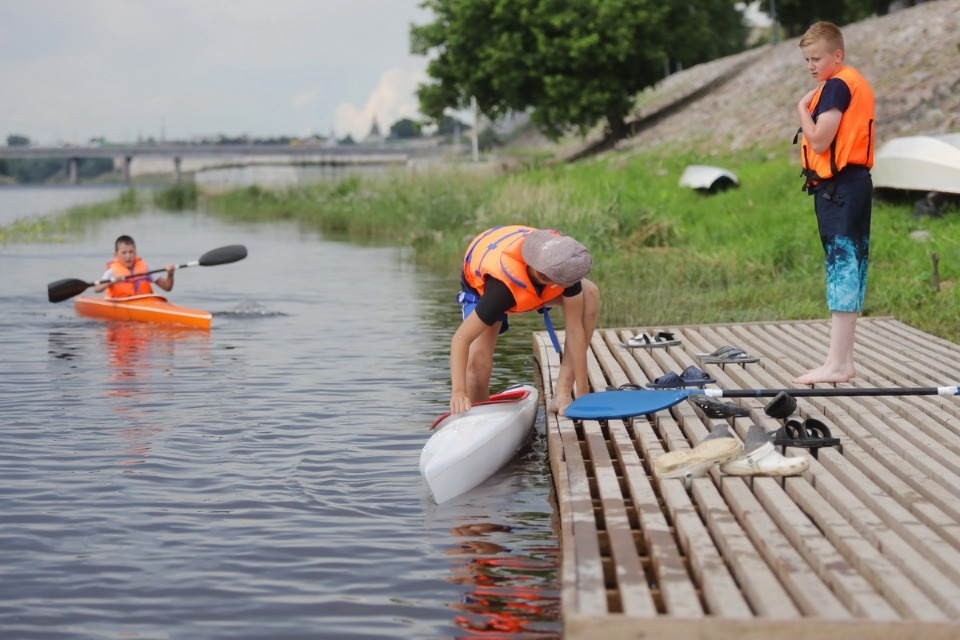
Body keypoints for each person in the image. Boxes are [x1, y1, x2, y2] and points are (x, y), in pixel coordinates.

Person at [793, 21, 875, 385]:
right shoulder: (848, 82)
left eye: (817, 58)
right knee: (850, 268)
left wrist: (801, 108)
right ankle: (843, 361)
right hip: (852, 185)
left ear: (837, 55)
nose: (810, 66)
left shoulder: (837, 86)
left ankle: (837, 365)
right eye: (806, 60)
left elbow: (820, 140)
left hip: (841, 189)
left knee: (842, 269)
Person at [449, 225, 600, 417]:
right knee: (477, 365)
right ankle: (478, 414)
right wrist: (458, 392)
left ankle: (562, 394)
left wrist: (583, 392)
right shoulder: (501, 292)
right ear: (556, 284)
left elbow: (575, 330)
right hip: (485, 287)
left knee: (590, 294)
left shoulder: (565, 269)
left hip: (535, 282)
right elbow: (461, 338)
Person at [94, 235, 175, 298]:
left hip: (146, 304)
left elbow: (167, 287)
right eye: (124, 253)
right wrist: (112, 281)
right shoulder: (112, 271)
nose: (128, 256)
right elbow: (97, 289)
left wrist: (170, 274)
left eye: (131, 252)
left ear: (135, 252)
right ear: (116, 255)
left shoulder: (145, 267)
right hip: (122, 304)